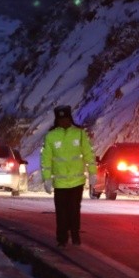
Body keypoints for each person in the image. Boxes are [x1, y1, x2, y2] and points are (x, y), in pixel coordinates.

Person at [41, 104, 96, 247]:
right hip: (60, 183)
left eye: (66, 119)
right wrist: (46, 178)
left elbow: (88, 153)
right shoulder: (51, 136)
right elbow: (46, 159)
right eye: (61, 120)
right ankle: (62, 238)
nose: (64, 122)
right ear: (57, 121)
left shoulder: (79, 133)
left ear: (70, 119)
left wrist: (92, 173)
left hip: (77, 181)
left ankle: (75, 234)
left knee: (74, 209)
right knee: (61, 211)